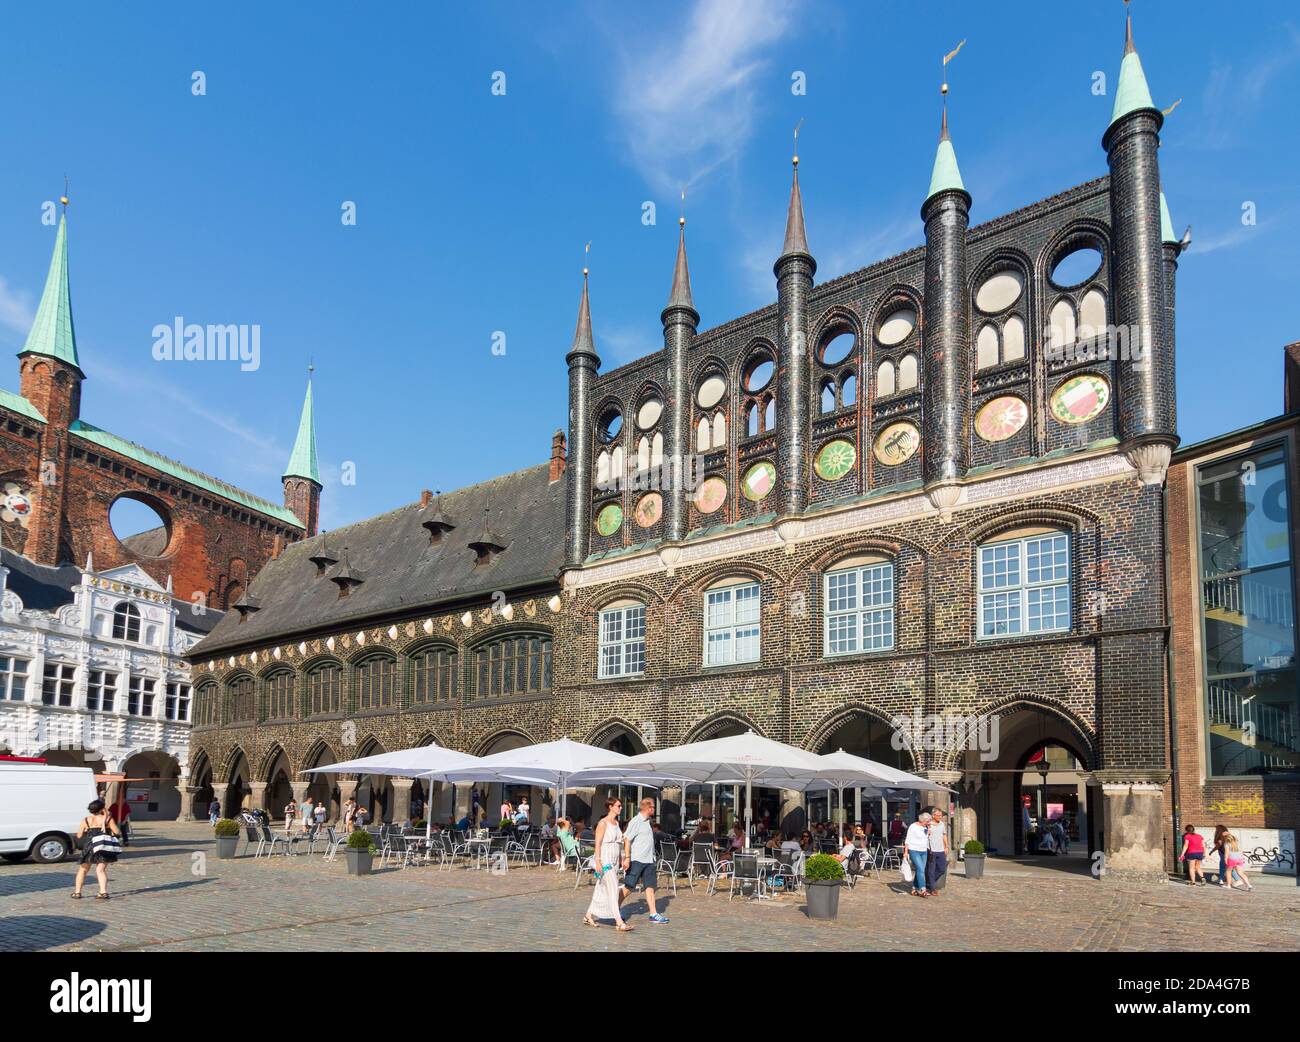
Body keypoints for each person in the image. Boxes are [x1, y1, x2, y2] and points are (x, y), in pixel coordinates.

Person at [583, 797, 632, 931]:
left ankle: (588, 915)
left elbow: (620, 843)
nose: (620, 808)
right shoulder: (603, 823)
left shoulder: (616, 823)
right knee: (613, 887)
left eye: (620, 806)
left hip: (615, 860)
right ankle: (619, 922)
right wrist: (598, 861)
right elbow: (597, 844)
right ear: (610, 807)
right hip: (605, 860)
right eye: (618, 805)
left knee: (601, 889)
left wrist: (623, 858)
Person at [623, 798, 668, 924]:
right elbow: (627, 839)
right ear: (646, 808)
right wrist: (627, 858)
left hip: (649, 860)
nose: (654, 809)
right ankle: (615, 910)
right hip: (637, 860)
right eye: (652, 807)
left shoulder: (648, 821)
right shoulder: (636, 821)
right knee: (628, 887)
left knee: (650, 887)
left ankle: (653, 913)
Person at [73, 799, 121, 900]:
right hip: (102, 846)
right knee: (100, 870)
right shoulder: (108, 819)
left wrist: (87, 830)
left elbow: (79, 835)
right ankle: (103, 892)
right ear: (101, 809)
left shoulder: (86, 820)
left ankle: (77, 893)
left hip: (89, 846)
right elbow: (117, 832)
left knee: (83, 870)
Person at [904, 812, 931, 897]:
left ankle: (914, 888)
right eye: (928, 821)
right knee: (920, 869)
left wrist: (928, 831)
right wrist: (905, 852)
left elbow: (926, 839)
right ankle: (923, 889)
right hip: (914, 850)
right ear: (923, 820)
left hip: (924, 851)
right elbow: (908, 839)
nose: (929, 822)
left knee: (920, 870)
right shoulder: (913, 826)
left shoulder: (926, 827)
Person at [925, 809, 949, 896]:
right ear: (933, 815)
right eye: (938, 815)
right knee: (931, 870)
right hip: (931, 850)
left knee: (942, 869)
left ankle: (928, 882)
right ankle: (932, 888)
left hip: (941, 850)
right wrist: (927, 831)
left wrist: (946, 846)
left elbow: (944, 835)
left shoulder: (942, 824)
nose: (940, 817)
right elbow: (923, 835)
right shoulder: (928, 824)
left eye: (940, 815)